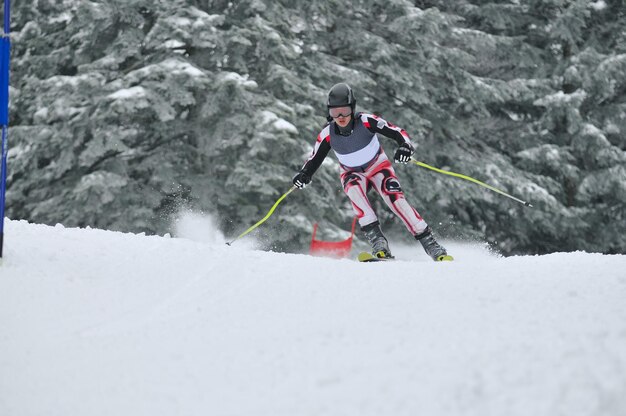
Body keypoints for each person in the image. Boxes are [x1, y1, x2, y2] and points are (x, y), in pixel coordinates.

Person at [292, 83, 452, 261]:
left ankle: (431, 245)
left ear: (353, 108)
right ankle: (379, 244)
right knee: (355, 194)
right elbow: (314, 158)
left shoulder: (366, 121)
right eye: (334, 112)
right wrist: (304, 174)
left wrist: (405, 147)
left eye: (344, 110)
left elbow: (397, 132)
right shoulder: (327, 134)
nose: (340, 116)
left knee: (396, 200)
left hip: (378, 167)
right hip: (351, 172)